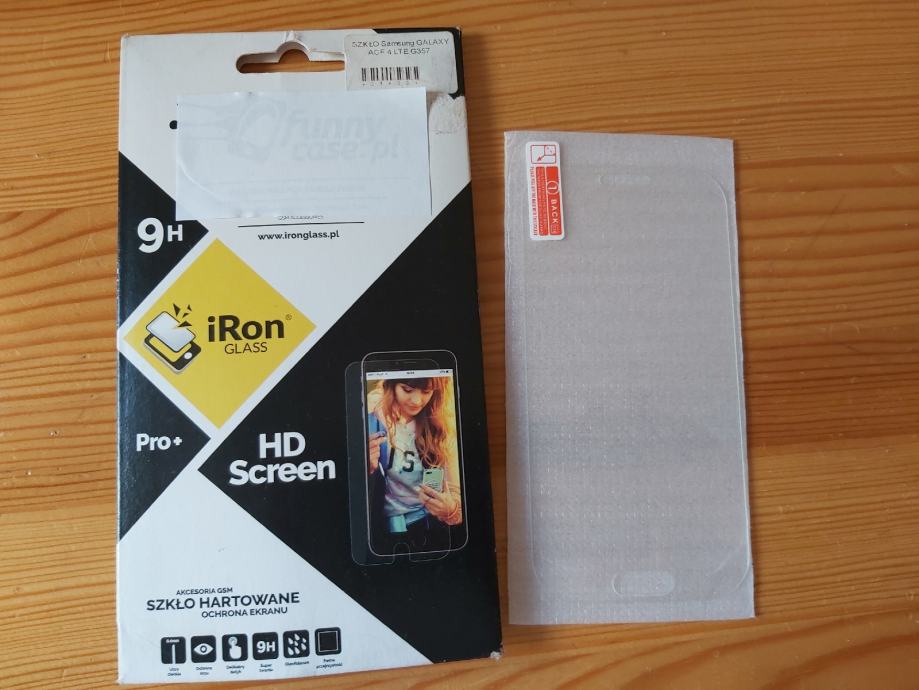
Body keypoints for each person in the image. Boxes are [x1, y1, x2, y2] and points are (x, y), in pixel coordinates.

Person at [366, 376, 462, 553]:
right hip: (377, 529)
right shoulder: (370, 419)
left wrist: (449, 509)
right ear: (391, 386)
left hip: (426, 527)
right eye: (407, 390)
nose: (417, 401)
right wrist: (365, 469)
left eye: (426, 391)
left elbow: (458, 501)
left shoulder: (443, 428)